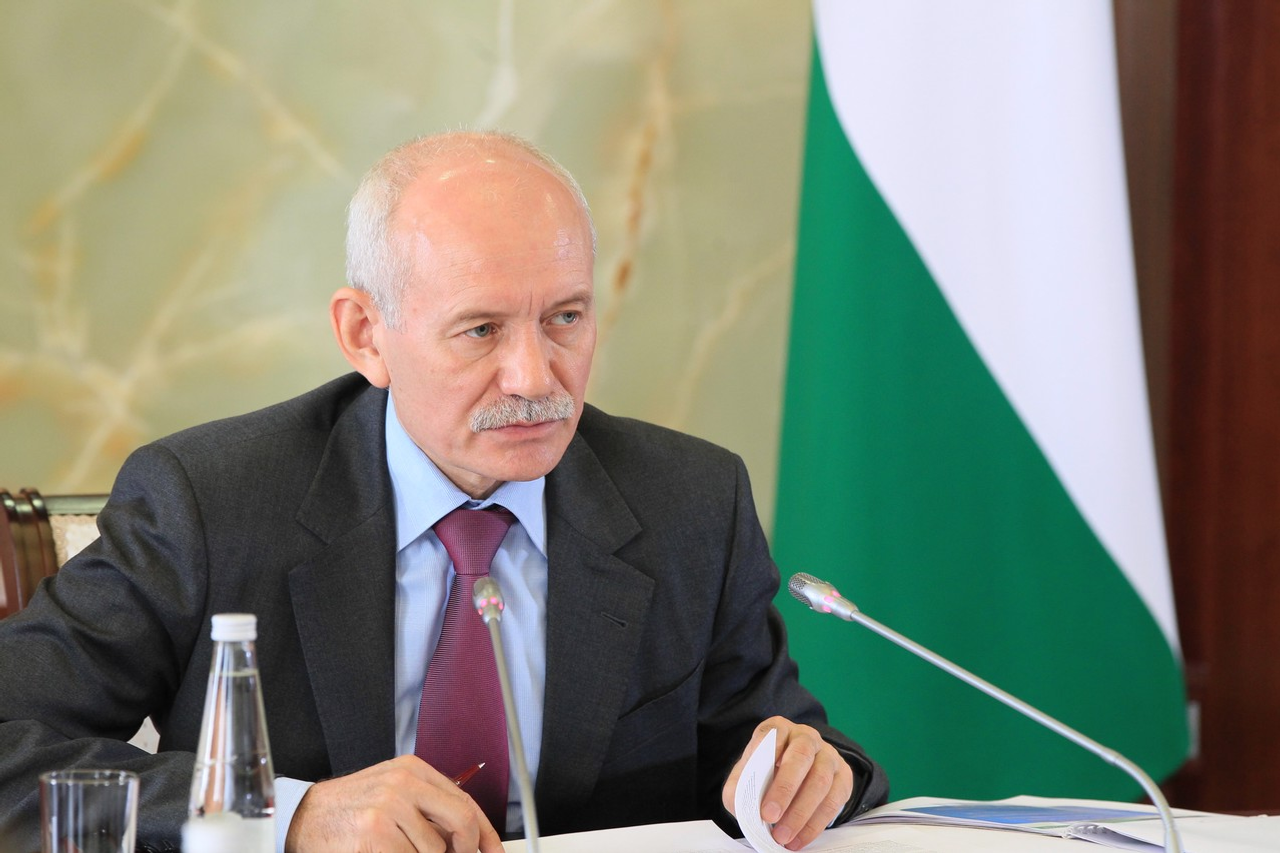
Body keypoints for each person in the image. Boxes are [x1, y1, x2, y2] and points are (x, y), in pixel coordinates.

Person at [0, 131, 887, 853]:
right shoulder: (210, 501)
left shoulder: (690, 502)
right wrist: (291, 815)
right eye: (481, 329)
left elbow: (773, 746)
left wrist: (810, 772)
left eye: (565, 318)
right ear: (366, 334)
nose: (534, 376)